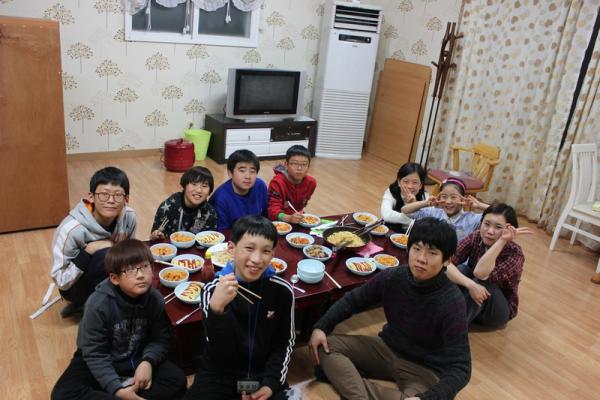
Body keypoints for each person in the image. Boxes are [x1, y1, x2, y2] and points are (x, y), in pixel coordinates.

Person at [309, 217, 471, 400]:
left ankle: (355, 390)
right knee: (325, 346)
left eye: (432, 253)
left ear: (447, 260)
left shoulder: (452, 302)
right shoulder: (394, 276)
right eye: (417, 248)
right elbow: (353, 300)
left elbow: (461, 368)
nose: (421, 258)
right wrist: (322, 326)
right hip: (386, 348)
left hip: (424, 368)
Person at [51, 239, 187, 400]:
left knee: (178, 381)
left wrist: (147, 362)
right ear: (115, 278)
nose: (140, 275)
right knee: (63, 394)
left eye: (145, 266)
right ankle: (124, 392)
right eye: (129, 270)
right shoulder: (97, 304)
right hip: (99, 358)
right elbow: (94, 353)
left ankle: (123, 391)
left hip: (136, 355)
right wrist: (117, 389)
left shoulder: (155, 299)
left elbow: (160, 339)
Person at [184, 215, 295, 400]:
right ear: (231, 249)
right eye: (249, 248)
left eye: (266, 251)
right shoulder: (214, 290)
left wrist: (271, 383)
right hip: (220, 375)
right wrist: (217, 310)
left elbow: (284, 342)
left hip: (262, 373)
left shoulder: (282, 291)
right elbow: (219, 350)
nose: (257, 259)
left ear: (273, 254)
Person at [51, 166, 137, 317]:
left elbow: (129, 256)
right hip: (75, 287)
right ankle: (90, 306)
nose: (110, 201)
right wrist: (88, 251)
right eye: (104, 194)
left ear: (126, 200)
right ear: (91, 197)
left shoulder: (129, 217)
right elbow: (61, 280)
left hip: (114, 278)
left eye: (118, 195)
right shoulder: (71, 229)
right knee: (107, 255)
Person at [446, 203, 532, 328]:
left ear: (510, 230)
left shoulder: (515, 253)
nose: (490, 231)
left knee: (483, 282)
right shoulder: (476, 236)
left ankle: (454, 328)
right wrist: (470, 285)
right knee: (461, 269)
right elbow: (446, 263)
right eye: (486, 224)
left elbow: (480, 274)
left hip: (496, 311)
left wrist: (502, 240)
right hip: (473, 297)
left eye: (498, 227)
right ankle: (443, 314)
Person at [400, 177, 489, 242]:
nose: (448, 201)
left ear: (463, 198)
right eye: (444, 196)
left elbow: (497, 214)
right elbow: (405, 210)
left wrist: (479, 205)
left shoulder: (471, 219)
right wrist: (426, 203)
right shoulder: (434, 213)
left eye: (454, 197)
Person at [150, 166, 218, 239]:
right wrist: (157, 237)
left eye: (204, 186)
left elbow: (210, 240)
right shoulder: (169, 206)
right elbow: (155, 238)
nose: (199, 190)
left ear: (209, 191)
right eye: (194, 184)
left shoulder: (210, 213)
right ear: (184, 186)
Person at [209, 149, 268, 231]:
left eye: (252, 171)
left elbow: (265, 216)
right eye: (242, 171)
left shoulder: (260, 186)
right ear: (230, 173)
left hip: (256, 232)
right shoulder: (221, 198)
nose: (248, 176)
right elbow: (222, 232)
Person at [267, 145, 317, 224]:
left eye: (304, 164)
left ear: (308, 166)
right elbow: (272, 210)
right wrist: (289, 218)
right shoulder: (277, 183)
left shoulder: (311, 183)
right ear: (286, 164)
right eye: (295, 163)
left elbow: (302, 204)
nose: (299, 168)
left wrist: (298, 214)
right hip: (279, 222)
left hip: (297, 219)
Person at [380, 162, 429, 232]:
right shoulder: (392, 192)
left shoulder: (425, 197)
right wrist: (410, 222)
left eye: (415, 182)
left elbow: (426, 224)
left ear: (421, 185)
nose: (410, 186)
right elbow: (386, 215)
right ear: (399, 182)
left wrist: (414, 204)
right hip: (390, 231)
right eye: (406, 181)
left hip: (414, 235)